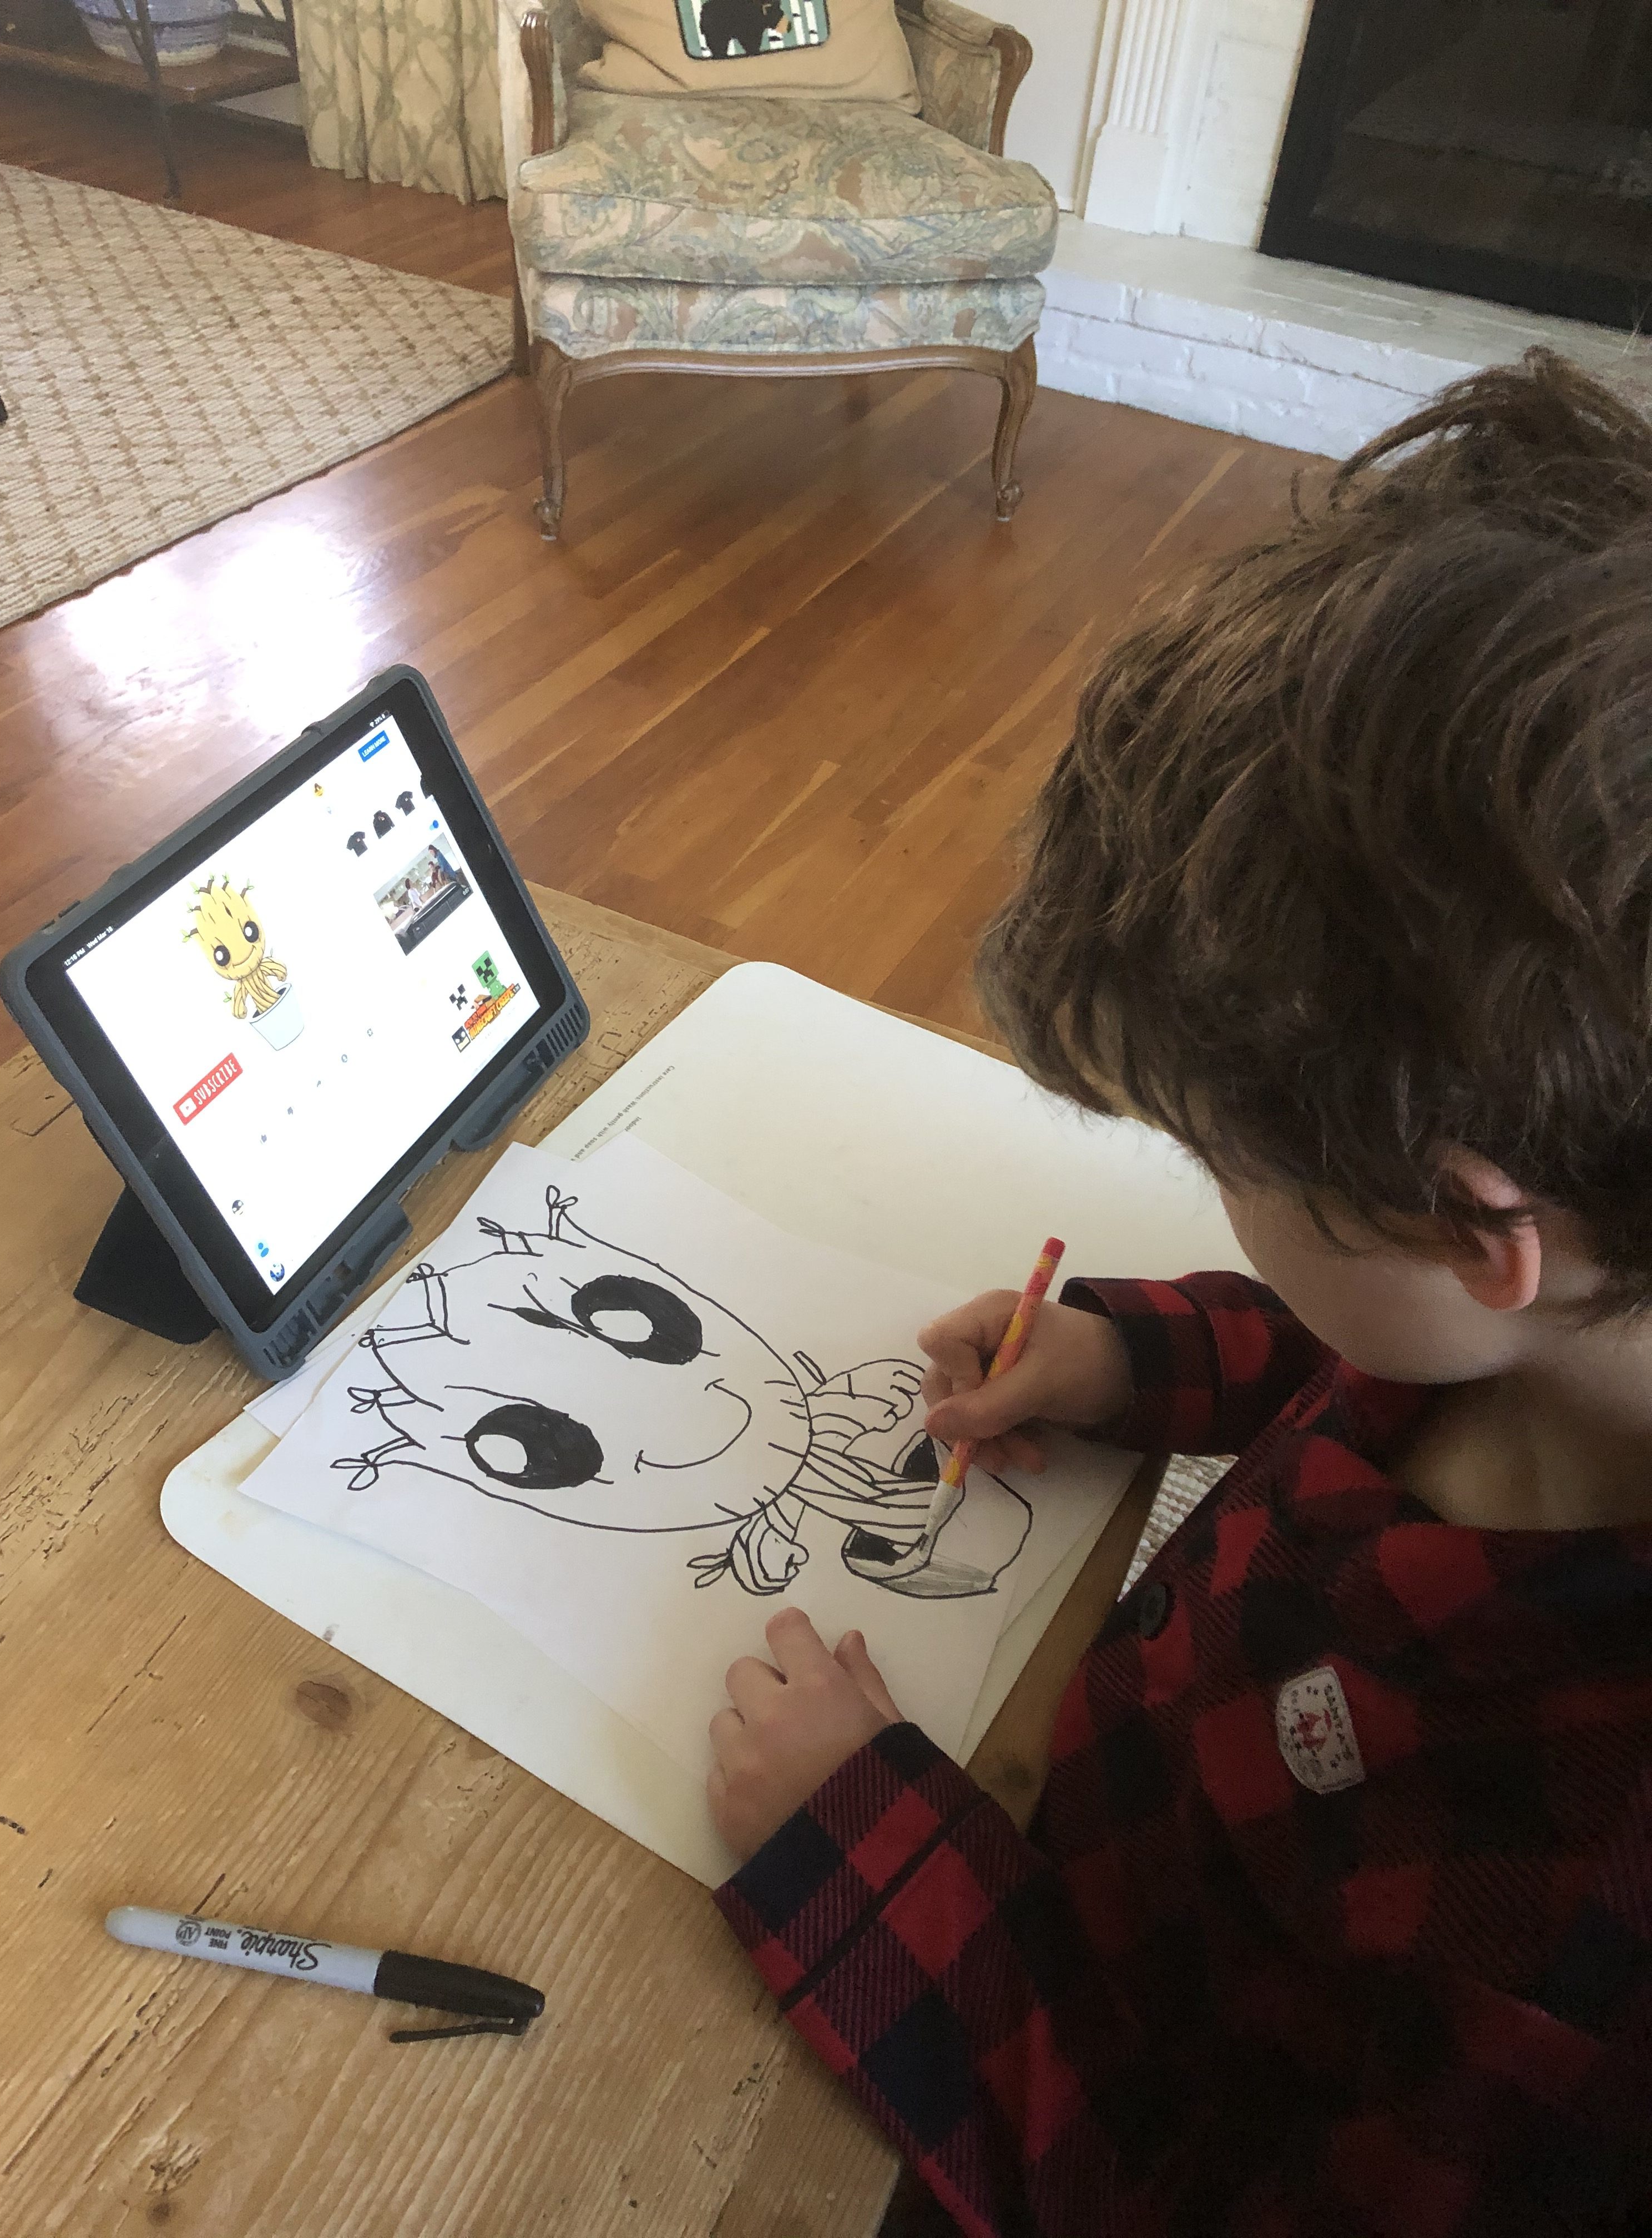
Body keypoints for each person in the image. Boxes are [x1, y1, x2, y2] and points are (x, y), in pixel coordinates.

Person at [705, 349, 1652, 2237]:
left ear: (1473, 1225)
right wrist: (1127, 1359)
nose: (1222, 1200)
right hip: (1127, 1807)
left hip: (1059, 2024)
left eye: (1230, 1162)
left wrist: (868, 1859)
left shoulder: (1575, 1942)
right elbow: (1371, 1347)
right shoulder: (1573, 1285)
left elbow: (1171, 2196)